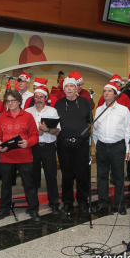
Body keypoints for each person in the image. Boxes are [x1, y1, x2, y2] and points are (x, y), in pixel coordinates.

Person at [0, 90, 40, 221]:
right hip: (6, 157)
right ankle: (4, 210)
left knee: (29, 185)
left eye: (13, 100)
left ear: (19, 101)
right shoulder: (1, 117)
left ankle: (33, 210)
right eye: (8, 101)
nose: (10, 103)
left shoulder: (28, 116)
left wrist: (28, 143)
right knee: (6, 185)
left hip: (24, 155)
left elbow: (34, 136)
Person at [54, 77, 92, 214]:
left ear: (76, 88)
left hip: (81, 144)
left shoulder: (85, 102)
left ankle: (82, 201)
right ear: (63, 89)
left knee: (82, 174)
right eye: (66, 86)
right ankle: (67, 202)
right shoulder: (58, 104)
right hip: (64, 145)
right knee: (67, 174)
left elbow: (89, 123)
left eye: (72, 86)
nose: (69, 89)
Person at [92, 82, 130, 215]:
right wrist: (97, 145)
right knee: (102, 177)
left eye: (109, 91)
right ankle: (102, 204)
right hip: (102, 146)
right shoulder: (98, 110)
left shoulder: (123, 110)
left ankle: (119, 204)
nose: (106, 93)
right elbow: (95, 130)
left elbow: (128, 130)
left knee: (119, 177)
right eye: (104, 91)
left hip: (117, 147)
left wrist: (128, 149)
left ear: (116, 94)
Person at [25, 86, 61, 214]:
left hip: (48, 147)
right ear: (33, 98)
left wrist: (47, 130)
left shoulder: (52, 111)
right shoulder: (27, 111)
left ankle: (54, 203)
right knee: (32, 178)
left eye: (41, 96)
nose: (38, 99)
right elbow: (24, 131)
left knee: (51, 176)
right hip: (33, 148)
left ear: (46, 98)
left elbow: (57, 130)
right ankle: (33, 206)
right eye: (36, 96)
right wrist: (34, 133)